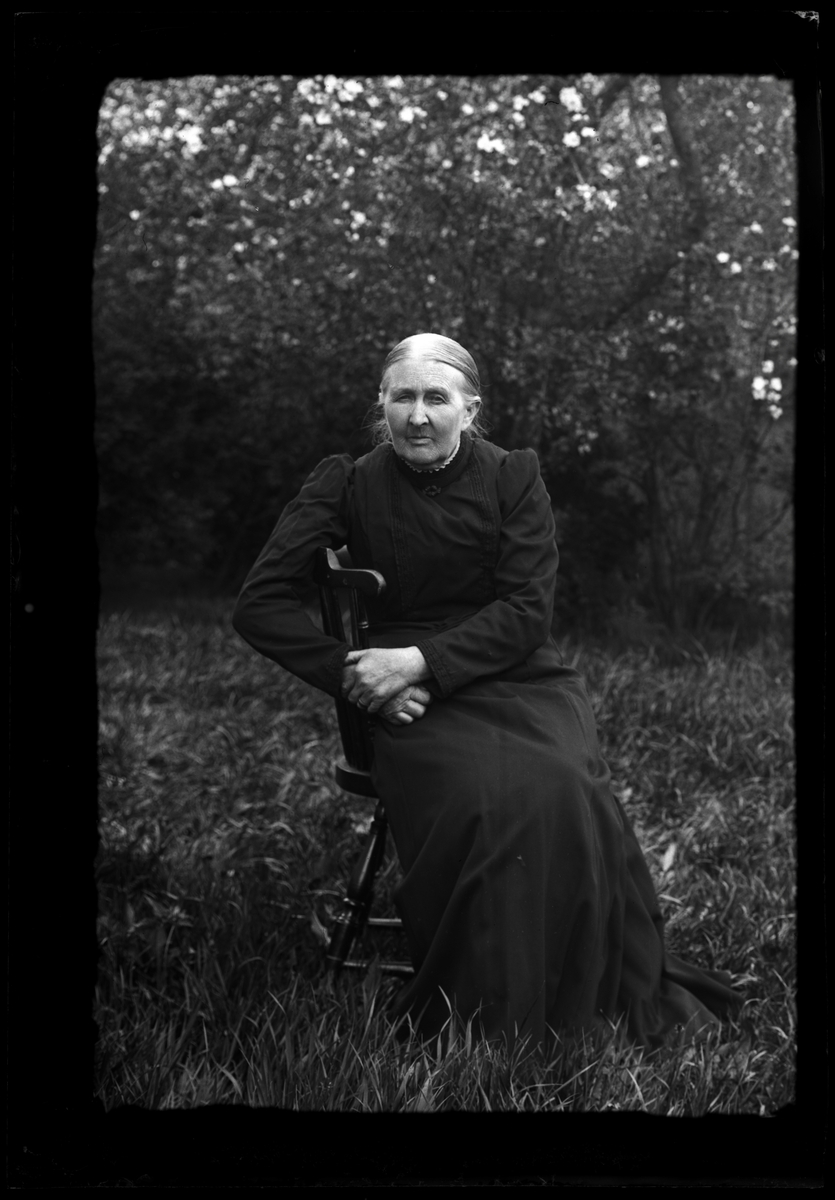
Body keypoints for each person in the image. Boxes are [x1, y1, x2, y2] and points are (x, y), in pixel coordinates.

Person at [233, 333, 740, 1051]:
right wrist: (354, 675)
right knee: (486, 794)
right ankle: (489, 1001)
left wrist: (420, 661)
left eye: (435, 398)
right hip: (403, 699)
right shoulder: (346, 482)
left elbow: (528, 611)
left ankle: (570, 981)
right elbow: (258, 604)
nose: (417, 415)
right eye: (402, 397)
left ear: (468, 410)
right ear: (381, 404)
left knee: (564, 782)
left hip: (516, 673)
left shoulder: (512, 477)